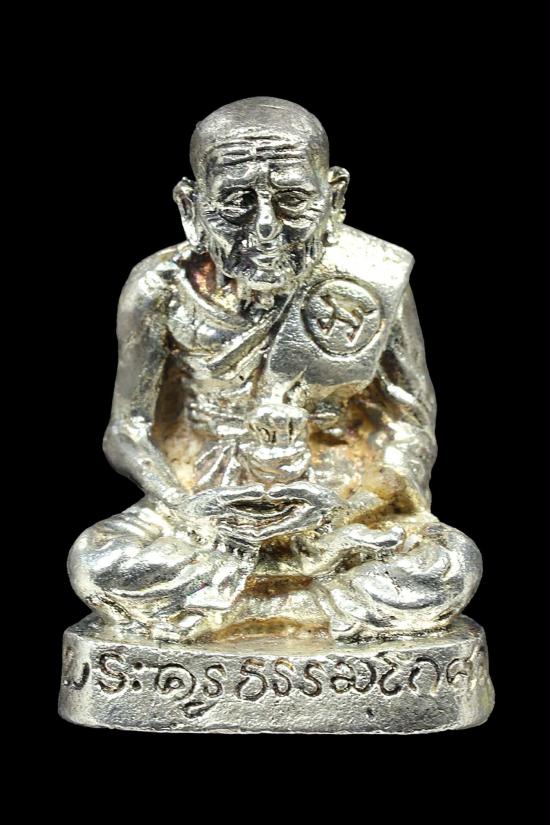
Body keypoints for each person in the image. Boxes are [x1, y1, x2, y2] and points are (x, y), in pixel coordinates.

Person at [68, 97, 481, 642]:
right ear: (192, 206)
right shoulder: (161, 289)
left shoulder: (369, 281)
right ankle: (309, 607)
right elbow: (127, 430)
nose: (265, 228)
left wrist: (348, 510)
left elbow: (409, 424)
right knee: (100, 560)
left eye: (292, 200)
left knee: (448, 565)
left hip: (338, 511)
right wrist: (189, 510)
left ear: (334, 198)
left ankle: (234, 608)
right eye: (236, 202)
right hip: (203, 508)